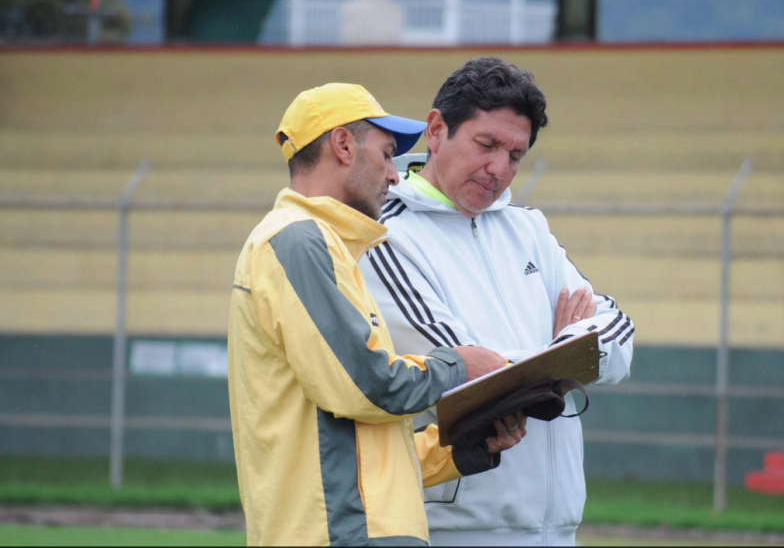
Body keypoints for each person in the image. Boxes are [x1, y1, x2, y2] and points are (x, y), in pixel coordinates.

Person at [227, 82, 529, 547]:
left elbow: (368, 443)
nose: (394, 175)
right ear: (343, 145)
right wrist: (461, 365)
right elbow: (366, 388)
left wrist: (467, 446)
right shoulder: (298, 239)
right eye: (388, 154)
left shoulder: (329, 248)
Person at [360, 58, 634, 546]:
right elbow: (473, 377)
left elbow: (617, 332)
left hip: (559, 529)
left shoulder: (528, 228)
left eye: (515, 155)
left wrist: (568, 340)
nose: (499, 169)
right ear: (437, 129)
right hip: (458, 529)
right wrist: (567, 355)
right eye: (486, 145)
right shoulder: (386, 235)